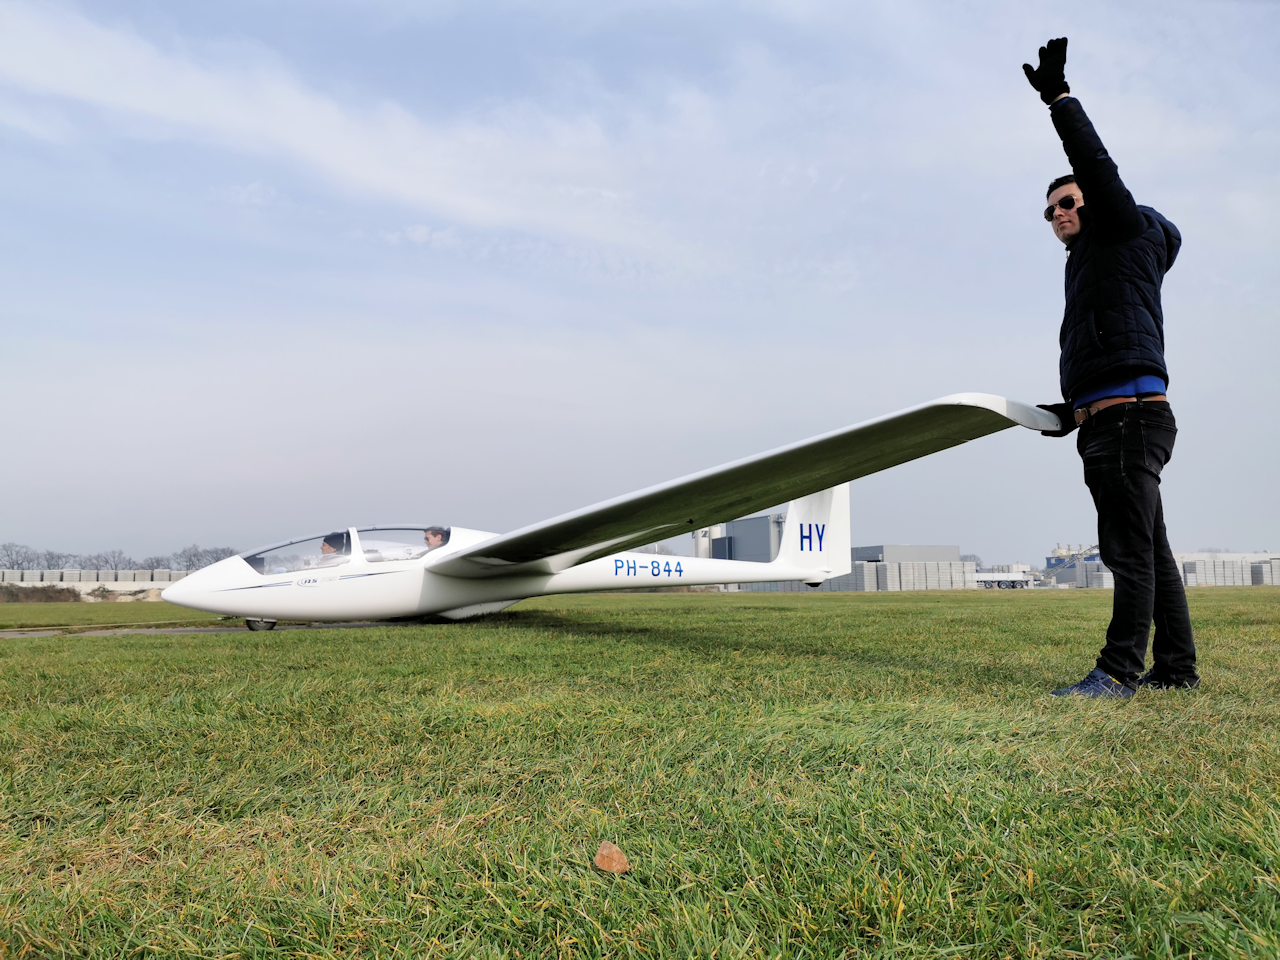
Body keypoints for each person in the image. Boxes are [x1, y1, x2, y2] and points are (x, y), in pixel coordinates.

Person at [1023, 38, 1199, 698]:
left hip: (1127, 422)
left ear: (1094, 202)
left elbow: (1094, 164)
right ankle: (1175, 670)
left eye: (1069, 201)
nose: (1059, 214)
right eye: (1050, 210)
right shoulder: (1095, 267)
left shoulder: (1123, 230)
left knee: (1128, 552)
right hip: (1116, 417)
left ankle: (1119, 670)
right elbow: (1110, 347)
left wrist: (1059, 99)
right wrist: (1072, 410)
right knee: (1152, 550)